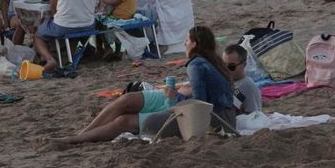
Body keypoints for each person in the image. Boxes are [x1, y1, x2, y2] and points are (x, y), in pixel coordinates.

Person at [61, 27, 237, 144]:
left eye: (186, 40)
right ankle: (80, 135)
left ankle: (77, 139)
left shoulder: (196, 64)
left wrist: (176, 97)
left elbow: (200, 104)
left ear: (195, 44)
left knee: (125, 120)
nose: (184, 43)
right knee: (128, 100)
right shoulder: (211, 62)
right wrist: (182, 92)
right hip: (223, 116)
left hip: (212, 120)